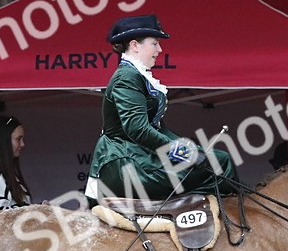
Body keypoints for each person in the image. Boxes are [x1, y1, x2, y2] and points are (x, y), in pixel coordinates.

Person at [86, 14, 239, 204]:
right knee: (220, 163)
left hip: (138, 157)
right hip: (124, 165)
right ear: (135, 45)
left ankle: (215, 215)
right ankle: (229, 218)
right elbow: (137, 129)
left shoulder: (136, 75)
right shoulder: (126, 77)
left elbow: (159, 129)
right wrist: (183, 153)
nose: (160, 49)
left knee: (217, 159)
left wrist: (191, 149)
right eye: (155, 43)